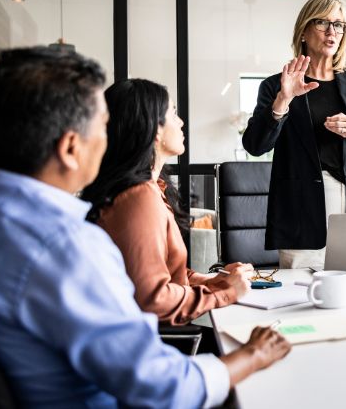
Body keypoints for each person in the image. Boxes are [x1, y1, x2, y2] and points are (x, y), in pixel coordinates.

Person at [0, 47, 290, 408]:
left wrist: (217, 285)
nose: (110, 139)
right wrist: (253, 355)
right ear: (71, 147)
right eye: (102, 127)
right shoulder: (67, 246)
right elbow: (162, 386)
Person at [81, 79, 251, 326]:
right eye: (173, 113)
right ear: (155, 129)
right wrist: (226, 292)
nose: (181, 122)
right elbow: (153, 299)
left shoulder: (152, 189)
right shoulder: (138, 199)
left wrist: (208, 280)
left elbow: (156, 272)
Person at [242, 0, 346, 269]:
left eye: (340, 25)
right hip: (302, 210)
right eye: (323, 22)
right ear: (304, 30)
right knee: (301, 299)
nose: (332, 31)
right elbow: (255, 145)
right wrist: (283, 100)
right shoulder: (276, 85)